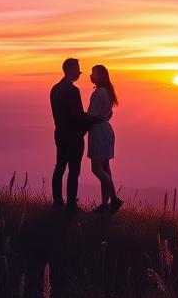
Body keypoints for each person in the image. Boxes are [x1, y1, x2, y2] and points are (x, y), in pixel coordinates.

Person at [49, 58, 100, 211]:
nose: (79, 72)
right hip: (73, 136)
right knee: (74, 170)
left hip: (60, 135)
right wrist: (92, 119)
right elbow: (77, 115)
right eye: (77, 68)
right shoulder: (73, 90)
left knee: (60, 167)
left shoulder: (55, 89)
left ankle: (57, 202)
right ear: (70, 70)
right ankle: (71, 204)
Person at [87, 64, 123, 213]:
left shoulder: (98, 93)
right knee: (105, 167)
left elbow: (92, 115)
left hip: (98, 131)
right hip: (106, 130)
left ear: (99, 76)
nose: (90, 76)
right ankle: (105, 203)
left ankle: (114, 198)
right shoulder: (107, 92)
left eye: (92, 73)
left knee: (96, 169)